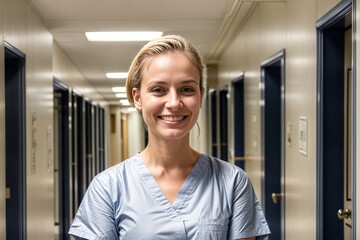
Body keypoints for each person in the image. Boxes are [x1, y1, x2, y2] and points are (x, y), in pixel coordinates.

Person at [68, 35, 271, 240]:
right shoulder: (108, 187)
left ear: (200, 96)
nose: (174, 102)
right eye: (158, 90)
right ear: (138, 98)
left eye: (187, 89)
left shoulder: (232, 182)